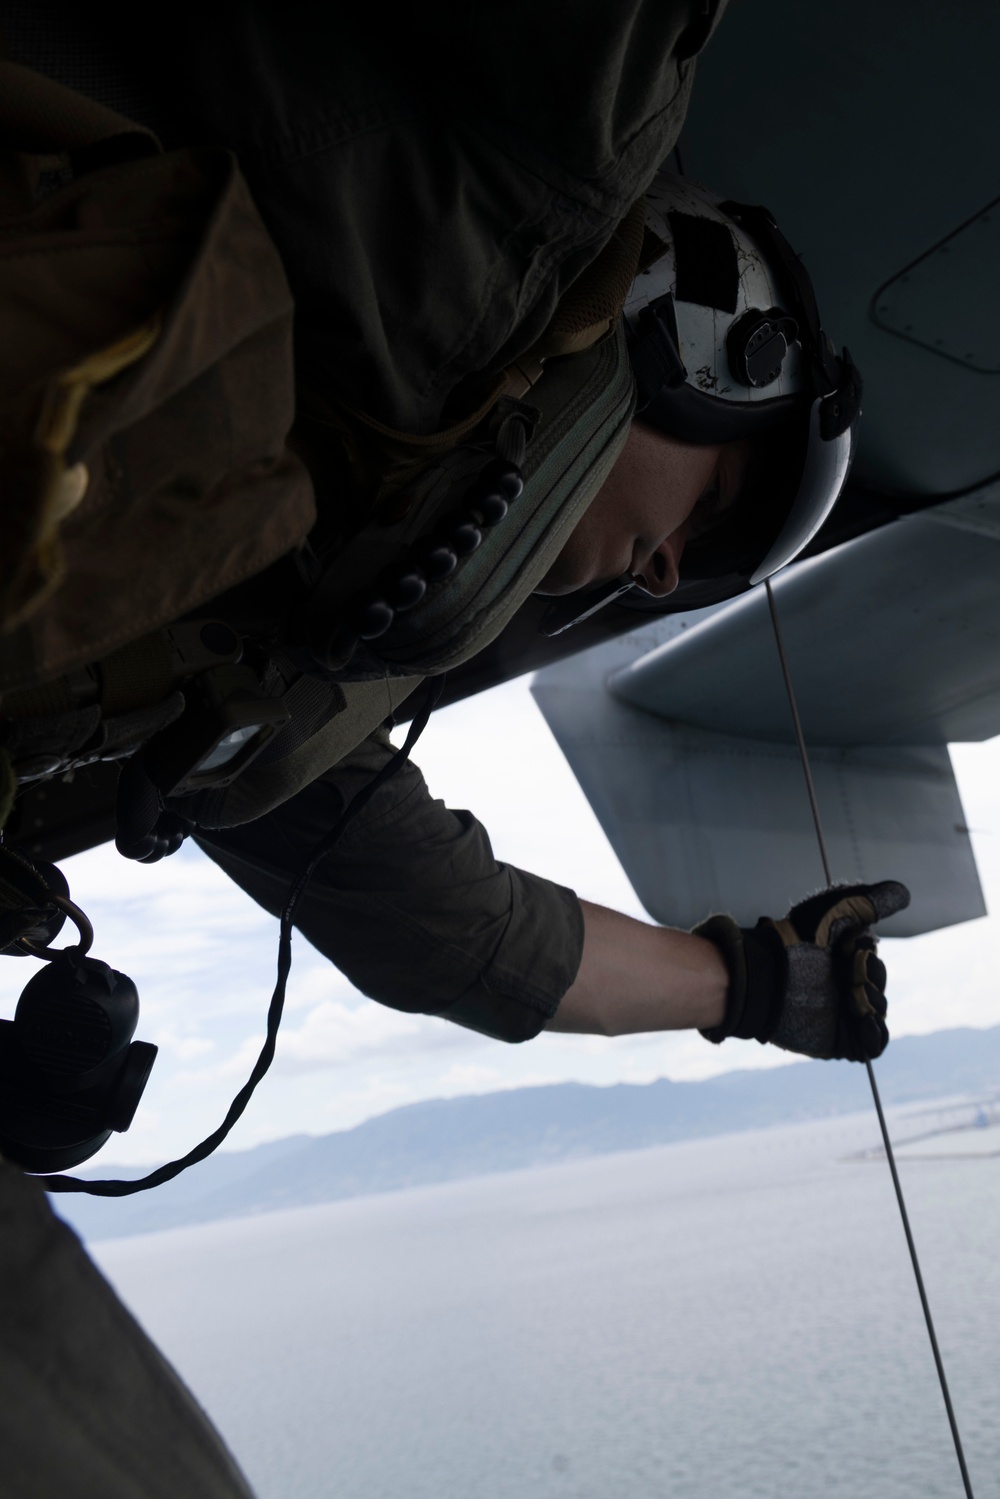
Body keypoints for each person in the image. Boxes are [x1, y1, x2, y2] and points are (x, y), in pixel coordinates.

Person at [0, 0, 901, 1079]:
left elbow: (445, 923)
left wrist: (758, 984)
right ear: (686, 336)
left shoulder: (276, 648)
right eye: (705, 509)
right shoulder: (507, 216)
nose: (662, 571)